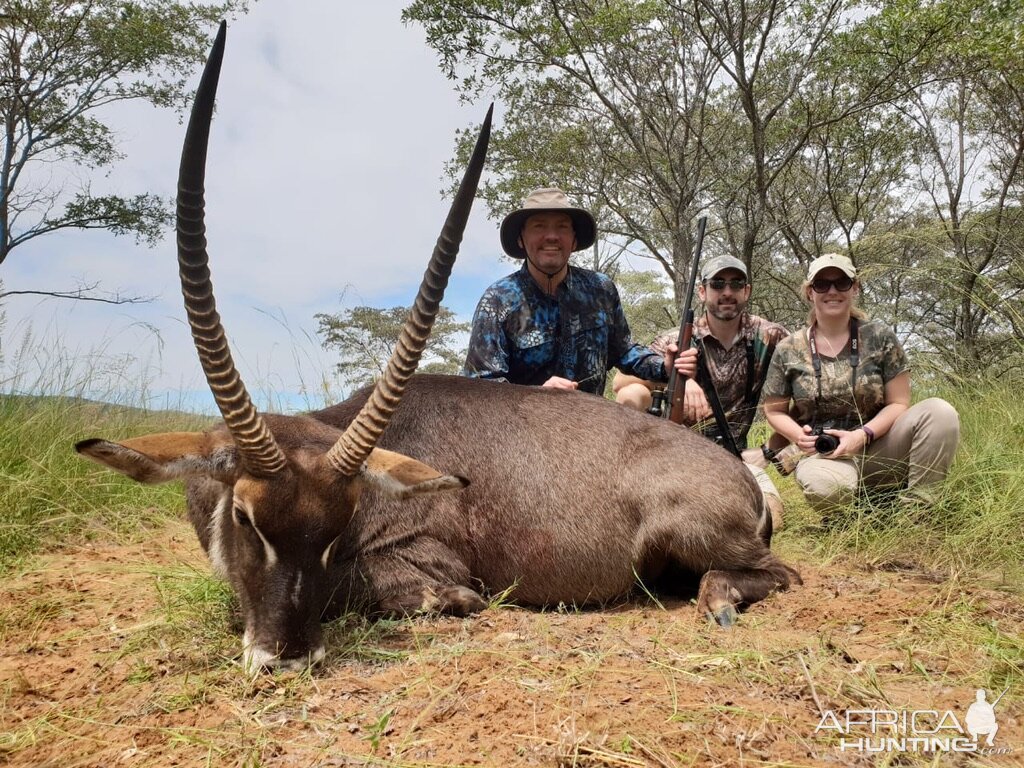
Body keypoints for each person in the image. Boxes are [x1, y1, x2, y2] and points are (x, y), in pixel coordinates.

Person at [761, 253, 960, 517]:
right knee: (825, 488)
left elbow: (899, 403)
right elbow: (773, 410)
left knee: (940, 413)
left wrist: (861, 435)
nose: (832, 291)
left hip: (879, 445)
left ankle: (919, 510)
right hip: (826, 456)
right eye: (822, 285)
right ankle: (863, 512)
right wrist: (798, 437)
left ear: (854, 287)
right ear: (810, 292)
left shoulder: (879, 336)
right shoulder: (789, 348)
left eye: (841, 282)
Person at [613, 255, 789, 529]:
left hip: (735, 459)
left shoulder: (770, 336)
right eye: (718, 284)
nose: (727, 292)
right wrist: (679, 376)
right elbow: (621, 383)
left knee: (770, 522)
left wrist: (769, 451)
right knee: (632, 395)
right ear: (703, 291)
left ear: (747, 291)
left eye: (736, 284)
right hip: (676, 458)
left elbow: (807, 387)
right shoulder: (673, 340)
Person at [462, 187, 696, 393]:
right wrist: (536, 396)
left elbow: (623, 351)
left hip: (590, 430)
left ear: (574, 240)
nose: (551, 236)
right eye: (539, 226)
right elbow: (481, 388)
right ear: (521, 239)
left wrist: (663, 366)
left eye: (562, 227)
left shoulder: (601, 289)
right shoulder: (497, 299)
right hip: (522, 434)